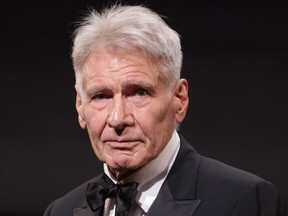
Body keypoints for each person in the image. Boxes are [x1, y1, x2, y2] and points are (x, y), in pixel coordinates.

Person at [44, 3, 286, 216]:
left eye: (139, 92)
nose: (118, 119)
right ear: (80, 105)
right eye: (101, 96)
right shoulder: (61, 210)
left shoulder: (243, 200)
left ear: (179, 99)